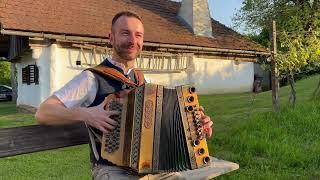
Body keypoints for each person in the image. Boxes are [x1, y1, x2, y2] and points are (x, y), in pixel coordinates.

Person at [35, 11, 213, 180]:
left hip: (153, 169)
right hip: (111, 170)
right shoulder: (91, 78)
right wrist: (87, 114)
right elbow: (43, 112)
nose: (132, 40)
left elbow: (167, 122)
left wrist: (194, 123)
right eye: (125, 33)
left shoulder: (144, 81)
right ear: (111, 38)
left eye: (138, 35)